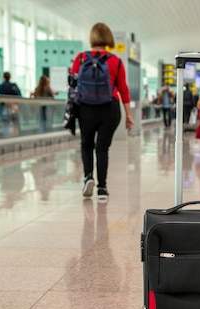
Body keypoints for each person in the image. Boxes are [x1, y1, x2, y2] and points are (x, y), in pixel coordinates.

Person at [71, 22, 134, 200]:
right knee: (102, 147)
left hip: (85, 107)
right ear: (108, 38)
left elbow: (72, 85)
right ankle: (102, 188)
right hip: (109, 108)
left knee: (86, 144)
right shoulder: (115, 61)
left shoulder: (81, 58)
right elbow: (123, 89)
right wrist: (129, 115)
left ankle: (88, 177)